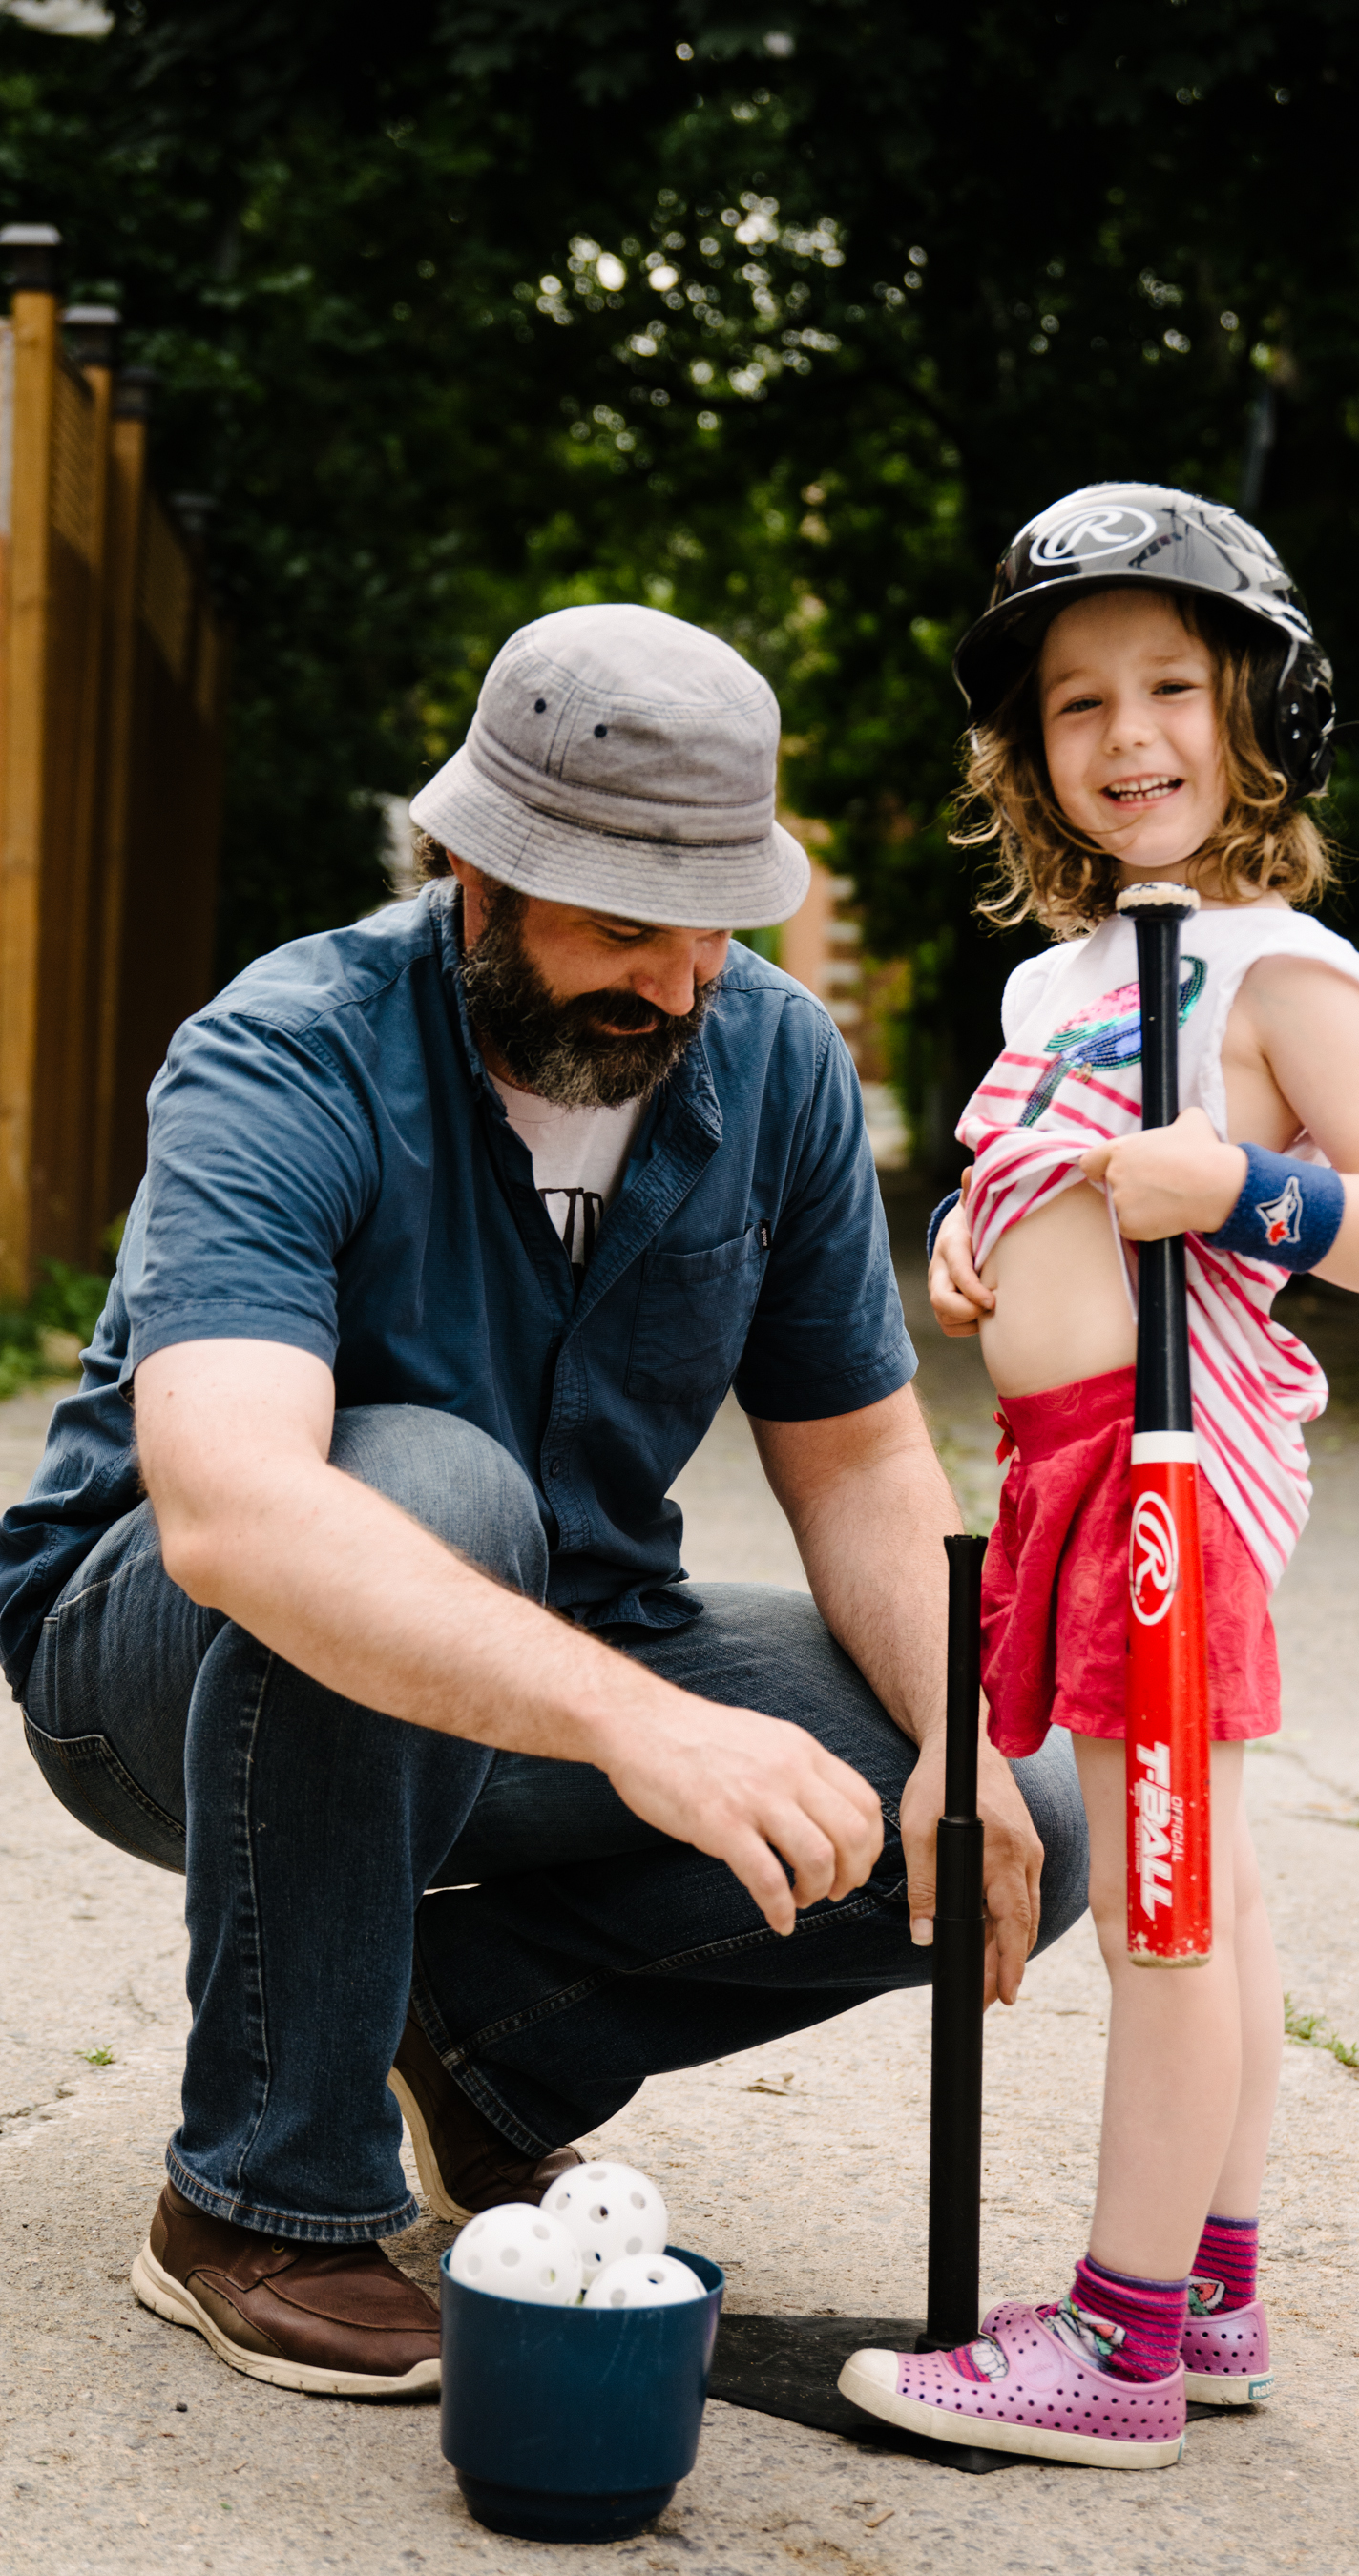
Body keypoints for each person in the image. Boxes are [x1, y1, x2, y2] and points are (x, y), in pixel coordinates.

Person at [0, 602, 1088, 2399]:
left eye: (709, 936)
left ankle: (472, 2046)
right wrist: (647, 1729)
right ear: (467, 871)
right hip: (165, 1684)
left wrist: (952, 1728)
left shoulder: (776, 1066)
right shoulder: (288, 1046)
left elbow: (866, 1459)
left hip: (551, 1641)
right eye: (617, 927)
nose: (670, 986)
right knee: (434, 1480)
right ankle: (262, 2199)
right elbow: (234, 1513)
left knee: (1007, 1790)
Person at [841, 486, 1359, 2467]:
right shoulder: (1062, 981)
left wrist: (1246, 1185)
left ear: (1262, 708)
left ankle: (1111, 2347)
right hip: (1058, 1461)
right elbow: (1046, 1179)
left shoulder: (1284, 973)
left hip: (1171, 1471)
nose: (1127, 738)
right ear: (1028, 751)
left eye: (1174, 689)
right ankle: (1211, 2287)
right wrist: (972, 1239)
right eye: (1078, 702)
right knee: (1231, 1892)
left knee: (1167, 1895)